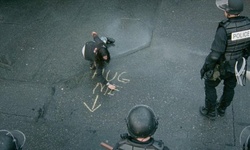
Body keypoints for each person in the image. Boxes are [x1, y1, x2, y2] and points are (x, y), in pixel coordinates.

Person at [199, 0, 250, 120]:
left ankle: (210, 111)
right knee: (230, 87)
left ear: (228, 11)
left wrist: (206, 67)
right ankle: (222, 109)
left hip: (221, 66)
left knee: (210, 85)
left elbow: (215, 55)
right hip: (237, 65)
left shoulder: (224, 28)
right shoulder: (248, 24)